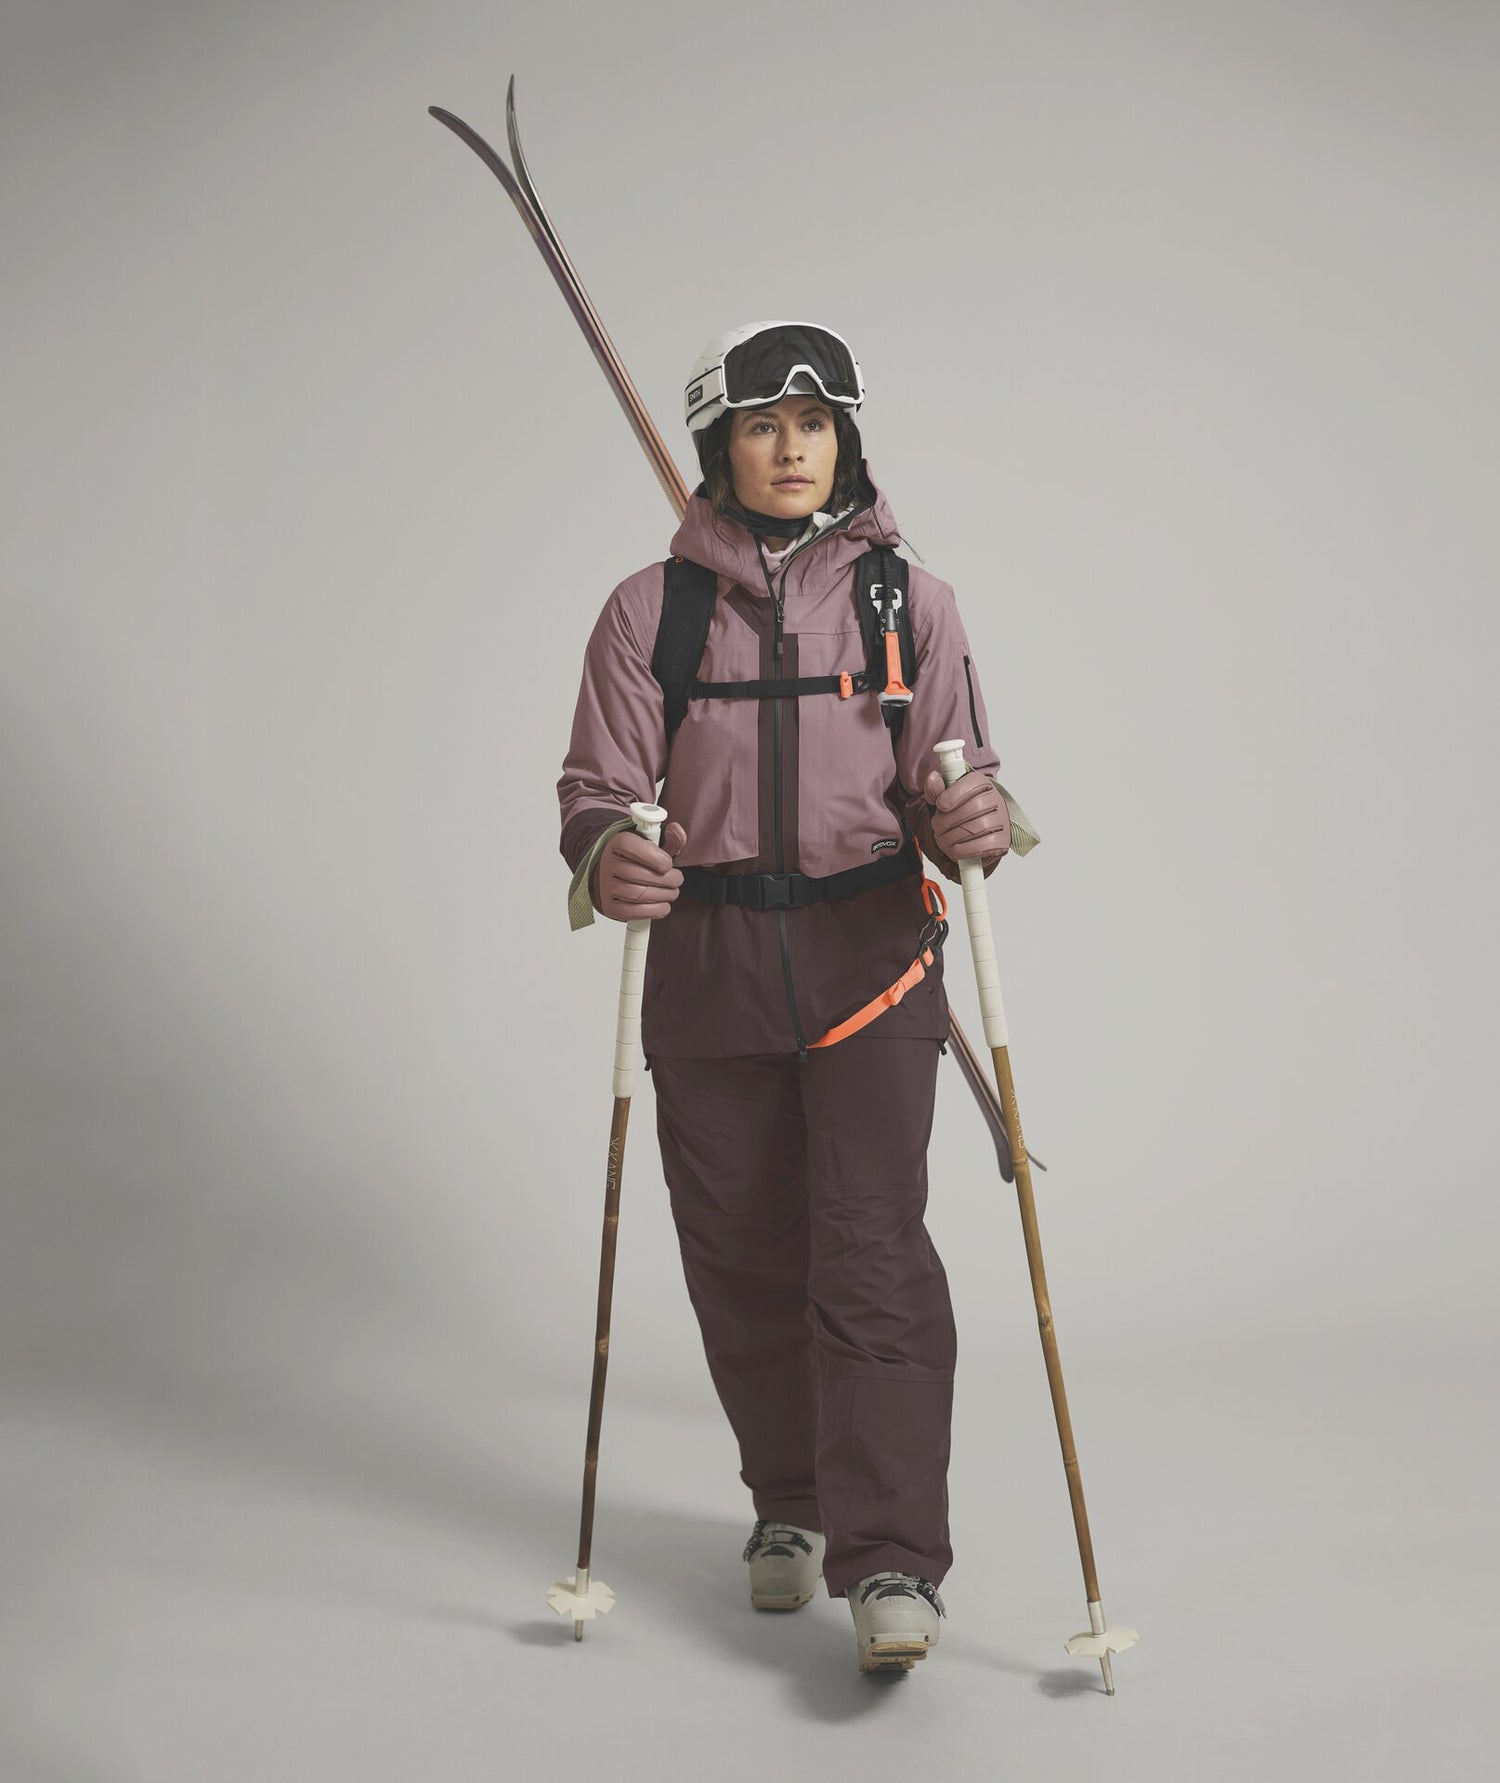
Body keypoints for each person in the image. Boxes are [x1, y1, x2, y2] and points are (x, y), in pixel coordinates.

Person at [556, 320, 1020, 1675]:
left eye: (816, 423)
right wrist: (609, 851)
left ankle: (893, 1560)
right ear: (722, 446)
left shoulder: (907, 600)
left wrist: (978, 818)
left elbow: (963, 778)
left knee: (870, 1251)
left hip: (870, 958)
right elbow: (594, 788)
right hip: (707, 964)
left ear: (846, 441)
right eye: (763, 425)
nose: (793, 446)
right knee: (743, 1256)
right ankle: (791, 1502)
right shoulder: (650, 611)